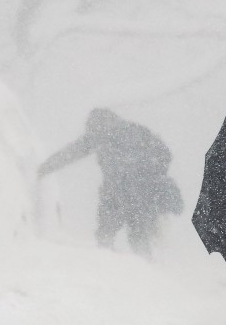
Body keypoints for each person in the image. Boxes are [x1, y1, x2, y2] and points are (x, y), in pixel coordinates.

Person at [37, 108, 182, 254]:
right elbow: (165, 154)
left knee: (107, 235)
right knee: (138, 237)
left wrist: (44, 168)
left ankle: (111, 265)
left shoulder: (101, 134)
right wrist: (150, 173)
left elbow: (71, 153)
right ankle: (145, 267)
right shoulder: (137, 131)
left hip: (119, 193)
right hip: (140, 194)